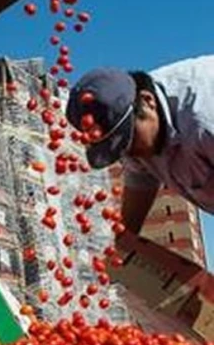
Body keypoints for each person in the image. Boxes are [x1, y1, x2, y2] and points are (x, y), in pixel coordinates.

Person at [66, 57, 214, 246]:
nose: (129, 153)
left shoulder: (204, 120)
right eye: (119, 149)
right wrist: (122, 249)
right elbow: (140, 186)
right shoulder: (135, 134)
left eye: (128, 139)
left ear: (148, 101)